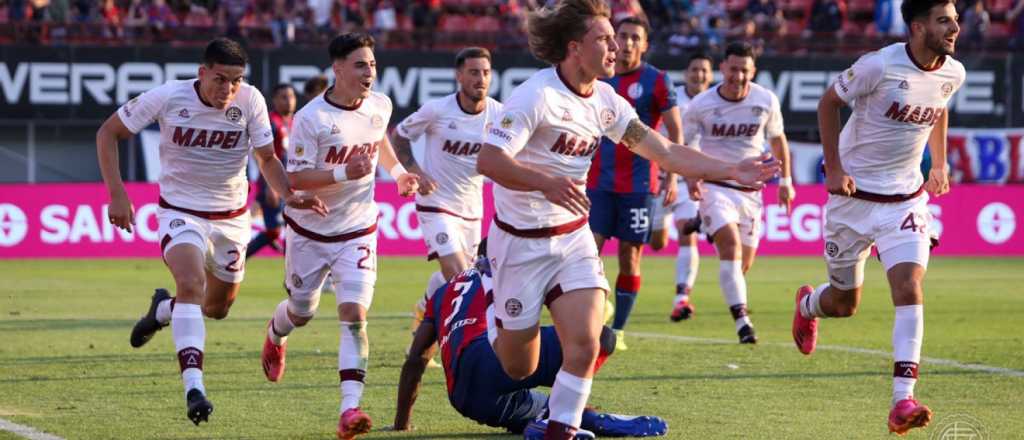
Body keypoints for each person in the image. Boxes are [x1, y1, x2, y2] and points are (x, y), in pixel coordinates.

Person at [476, 0, 780, 436]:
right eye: (604, 39)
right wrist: (544, 181)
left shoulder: (606, 101)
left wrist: (731, 170)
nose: (616, 47)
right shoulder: (535, 96)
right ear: (575, 48)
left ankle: (560, 429)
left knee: (588, 342)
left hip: (572, 238)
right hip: (519, 242)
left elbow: (666, 151)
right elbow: (489, 160)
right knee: (517, 367)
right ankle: (487, 290)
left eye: (615, 38)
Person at [98, 38, 325, 425]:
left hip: (232, 218)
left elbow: (266, 158)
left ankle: (164, 310)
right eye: (220, 79)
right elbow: (108, 133)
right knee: (190, 283)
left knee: (216, 308)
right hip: (180, 212)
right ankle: (194, 388)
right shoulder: (169, 96)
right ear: (202, 73)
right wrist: (117, 194)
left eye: (236, 81)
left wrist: (288, 194)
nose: (228, 90)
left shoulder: (250, 101)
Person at [791, 0, 964, 435]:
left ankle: (902, 399)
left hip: (906, 200)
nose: (955, 27)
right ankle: (809, 305)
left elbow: (939, 106)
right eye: (945, 20)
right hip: (852, 201)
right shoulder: (878, 65)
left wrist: (938, 164)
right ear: (918, 25)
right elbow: (828, 103)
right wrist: (833, 167)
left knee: (908, 285)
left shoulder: (952, 73)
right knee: (844, 305)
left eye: (955, 19)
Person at [257, 32, 419, 440]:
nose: (370, 72)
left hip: (358, 229)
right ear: (339, 69)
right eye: (361, 65)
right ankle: (275, 334)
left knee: (354, 315)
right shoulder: (311, 118)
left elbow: (378, 138)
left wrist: (398, 174)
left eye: (373, 65)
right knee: (302, 312)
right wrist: (345, 172)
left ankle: (350, 409)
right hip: (310, 232)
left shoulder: (379, 104)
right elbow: (293, 177)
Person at [393, 253, 668, 438]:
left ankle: (583, 420)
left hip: (465, 398)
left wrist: (401, 423)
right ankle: (564, 420)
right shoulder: (505, 270)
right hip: (490, 359)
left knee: (555, 408)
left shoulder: (441, 294)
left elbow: (416, 358)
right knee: (601, 338)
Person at [681, 42, 794, 344]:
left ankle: (704, 226)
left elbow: (778, 139)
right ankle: (743, 322)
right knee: (729, 247)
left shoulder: (766, 100)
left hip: (751, 192)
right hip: (715, 186)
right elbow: (684, 145)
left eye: (745, 71)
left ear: (752, 71)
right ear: (723, 69)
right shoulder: (702, 104)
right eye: (733, 69)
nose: (738, 76)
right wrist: (691, 176)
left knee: (742, 266)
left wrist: (786, 182)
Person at [391, 47, 503, 340]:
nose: (481, 78)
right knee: (458, 276)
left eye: (486, 72)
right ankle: (458, 339)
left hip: (472, 208)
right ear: (459, 76)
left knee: (461, 277)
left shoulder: (499, 114)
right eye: (474, 72)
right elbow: (399, 136)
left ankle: (423, 309)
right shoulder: (437, 110)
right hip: (436, 203)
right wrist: (415, 170)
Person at [585, 16, 681, 351]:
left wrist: (672, 177)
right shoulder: (597, 76)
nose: (625, 43)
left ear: (644, 44)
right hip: (597, 182)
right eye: (621, 36)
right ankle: (594, 306)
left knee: (630, 257)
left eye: (633, 38)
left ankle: (619, 329)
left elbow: (674, 133)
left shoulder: (656, 81)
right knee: (586, 252)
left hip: (639, 186)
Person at [650, 51, 714, 323]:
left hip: (690, 180)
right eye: (694, 69)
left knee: (687, 232)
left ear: (710, 75)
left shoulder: (716, 102)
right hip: (659, 178)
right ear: (686, 73)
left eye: (703, 70)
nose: (698, 74)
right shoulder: (671, 98)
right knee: (657, 242)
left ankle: (682, 298)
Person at [247, 83, 297, 258]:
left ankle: (296, 272)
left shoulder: (294, 122)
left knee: (288, 230)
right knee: (275, 231)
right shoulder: (270, 122)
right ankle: (235, 261)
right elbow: (259, 154)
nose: (288, 101)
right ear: (275, 100)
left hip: (291, 184)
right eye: (283, 97)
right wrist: (271, 186)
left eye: (291, 97)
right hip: (274, 184)